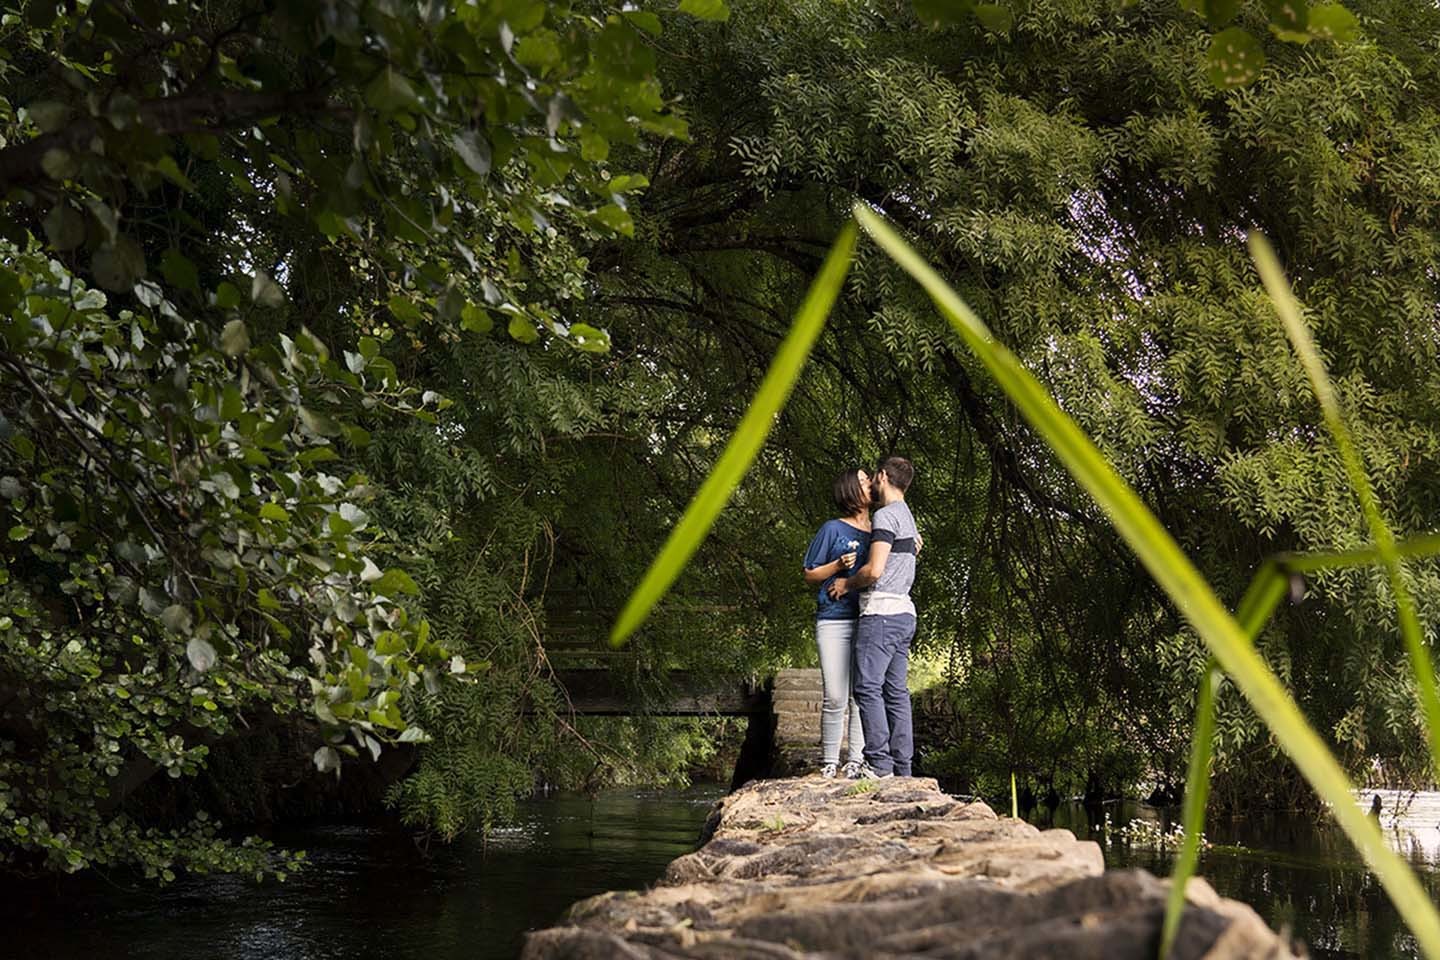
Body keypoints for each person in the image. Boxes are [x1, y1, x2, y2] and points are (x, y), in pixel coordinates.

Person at [830, 456, 918, 779]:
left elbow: (874, 570)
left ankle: (879, 765)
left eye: (873, 477)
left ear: (882, 476)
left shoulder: (884, 516)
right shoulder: (907, 517)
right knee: (895, 692)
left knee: (867, 688)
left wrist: (846, 583)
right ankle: (902, 770)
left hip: (880, 614)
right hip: (905, 615)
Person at [801, 467, 872, 779]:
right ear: (849, 491)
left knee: (861, 694)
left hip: (870, 619)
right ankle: (830, 761)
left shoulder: (881, 528)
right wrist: (836, 565)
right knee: (835, 695)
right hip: (833, 619)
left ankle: (855, 761)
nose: (869, 483)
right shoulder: (832, 529)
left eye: (869, 479)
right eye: (862, 480)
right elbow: (809, 573)